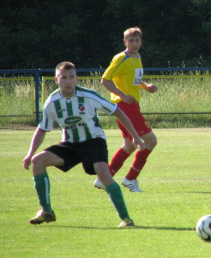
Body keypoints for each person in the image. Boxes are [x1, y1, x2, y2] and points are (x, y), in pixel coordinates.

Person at [23, 61, 145, 227]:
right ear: (56, 80)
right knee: (38, 161)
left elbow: (117, 111)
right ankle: (46, 211)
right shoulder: (52, 102)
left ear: (76, 78)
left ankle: (126, 219)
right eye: (63, 77)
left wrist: (135, 136)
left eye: (71, 77)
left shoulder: (88, 96)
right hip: (70, 144)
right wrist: (30, 153)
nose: (68, 81)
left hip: (94, 141)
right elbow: (42, 129)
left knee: (103, 173)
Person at [95, 26, 158, 192]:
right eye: (131, 40)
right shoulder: (120, 58)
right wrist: (122, 96)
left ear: (141, 42)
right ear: (125, 42)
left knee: (129, 146)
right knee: (151, 141)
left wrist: (146, 86)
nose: (135, 43)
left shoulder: (137, 57)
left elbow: (134, 80)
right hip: (125, 106)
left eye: (137, 40)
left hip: (131, 105)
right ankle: (131, 178)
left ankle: (104, 179)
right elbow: (105, 80)